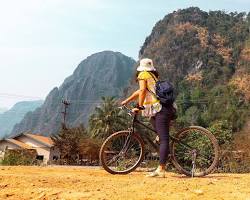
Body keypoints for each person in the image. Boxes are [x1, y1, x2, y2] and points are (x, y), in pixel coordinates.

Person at [121, 58, 174, 178]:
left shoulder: (143, 74)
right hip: (158, 109)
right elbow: (140, 91)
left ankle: (161, 169)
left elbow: (142, 91)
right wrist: (127, 100)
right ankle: (165, 156)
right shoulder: (152, 75)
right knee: (160, 136)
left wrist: (139, 107)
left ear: (141, 67)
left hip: (160, 109)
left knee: (164, 139)